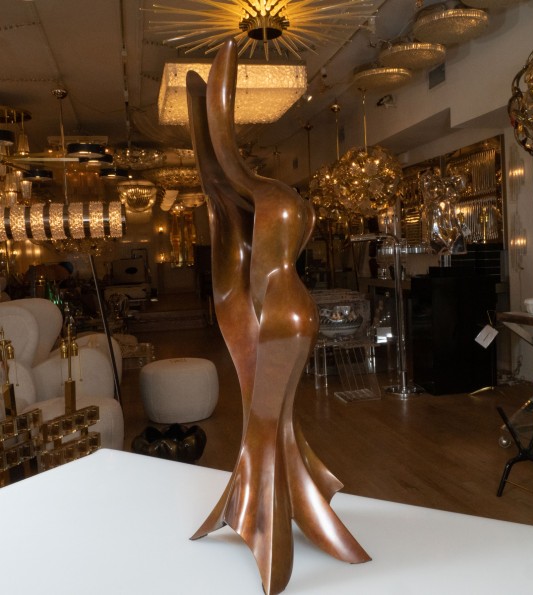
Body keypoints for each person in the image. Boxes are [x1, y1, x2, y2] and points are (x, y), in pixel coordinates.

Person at [186, 39, 369, 595]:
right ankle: (273, 502)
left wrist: (212, 128)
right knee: (267, 420)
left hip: (283, 315)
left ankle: (269, 513)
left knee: (267, 420)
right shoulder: (273, 203)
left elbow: (225, 176)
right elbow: (223, 184)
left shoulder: (269, 200)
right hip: (282, 313)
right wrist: (209, 126)